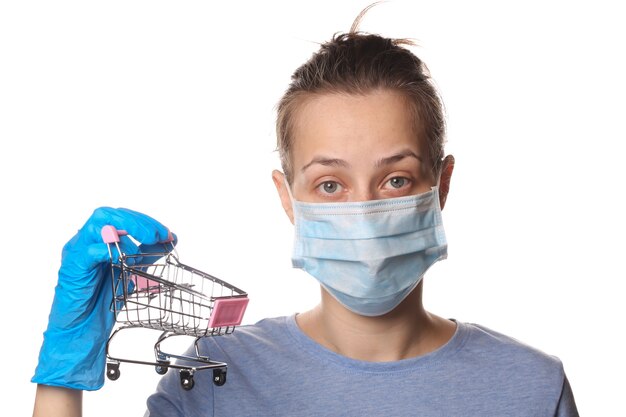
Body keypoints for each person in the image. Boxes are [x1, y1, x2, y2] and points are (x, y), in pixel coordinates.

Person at [31, 8, 579, 417]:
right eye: (330, 184)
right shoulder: (217, 383)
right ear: (287, 198)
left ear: (442, 185)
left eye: (395, 179)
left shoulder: (530, 387)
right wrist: (62, 374)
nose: (363, 211)